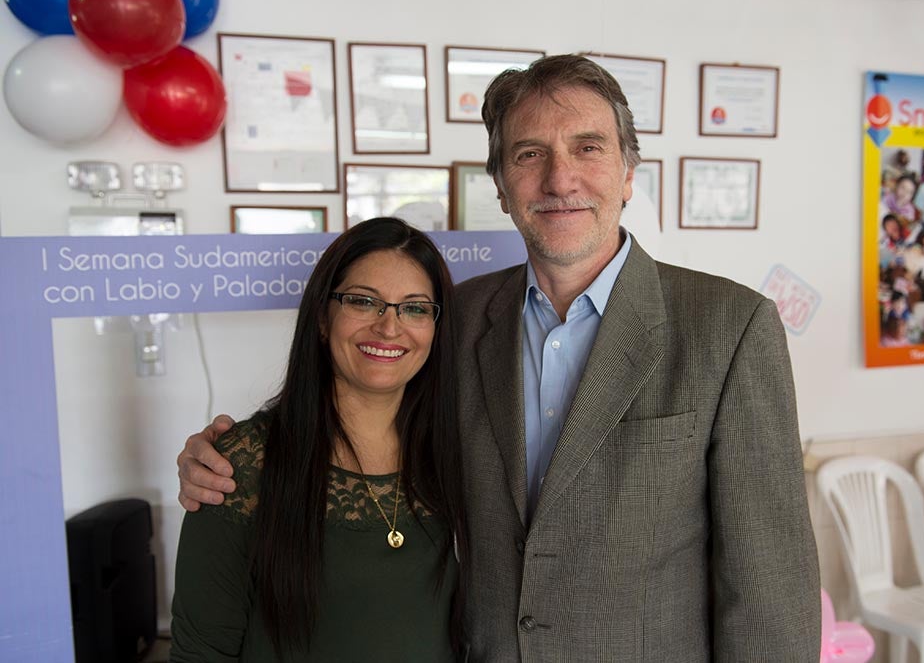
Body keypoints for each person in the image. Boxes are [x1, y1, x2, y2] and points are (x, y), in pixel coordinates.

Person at [178, 54, 820, 660]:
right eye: (529, 153)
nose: (559, 178)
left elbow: (768, 594)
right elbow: (363, 421)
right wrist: (230, 457)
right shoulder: (452, 319)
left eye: (588, 148)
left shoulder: (732, 328)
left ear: (628, 174)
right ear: (503, 187)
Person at [170, 217, 468, 661]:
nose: (390, 328)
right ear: (323, 319)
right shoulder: (239, 467)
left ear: (436, 330)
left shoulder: (459, 452)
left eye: (415, 307)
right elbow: (201, 650)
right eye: (364, 302)